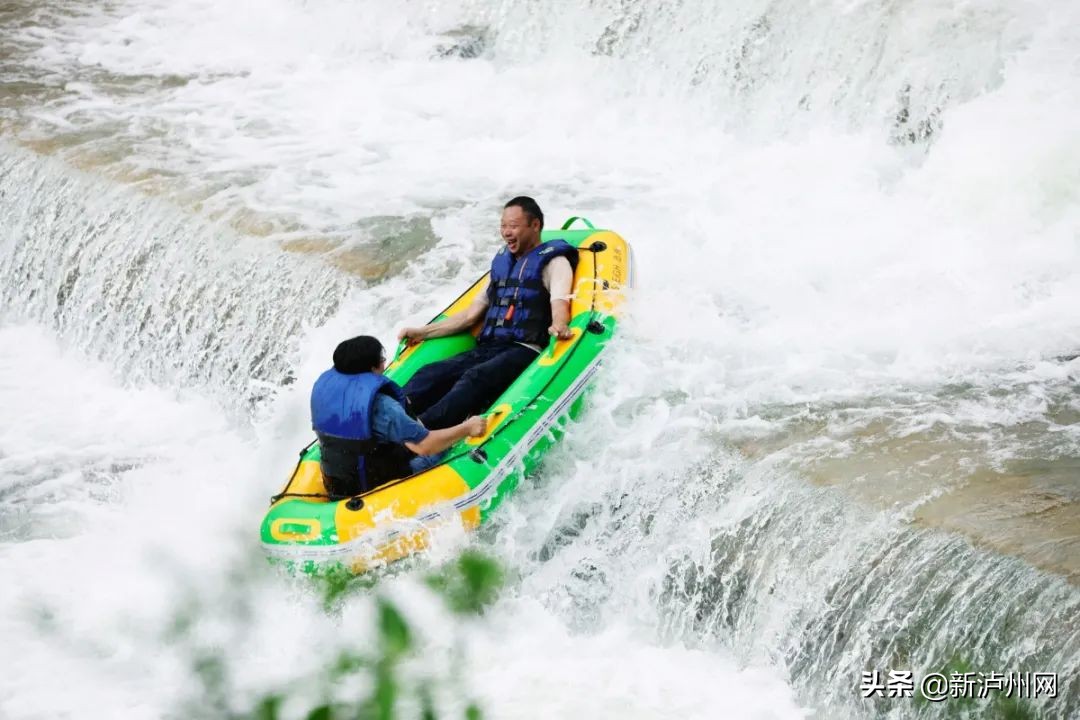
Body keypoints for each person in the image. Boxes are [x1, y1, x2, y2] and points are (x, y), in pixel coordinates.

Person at [398, 196, 578, 429]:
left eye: (513, 226)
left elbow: (560, 303)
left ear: (535, 225)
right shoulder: (502, 264)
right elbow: (470, 316)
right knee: (432, 373)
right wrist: (424, 332)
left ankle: (419, 433)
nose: (506, 232)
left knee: (475, 378)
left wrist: (560, 325)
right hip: (490, 347)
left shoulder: (554, 262)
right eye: (503, 226)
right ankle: (388, 417)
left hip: (525, 349)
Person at [310, 335, 486, 497]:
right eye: (382, 359)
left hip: (340, 484)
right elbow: (425, 446)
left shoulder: (323, 390)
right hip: (379, 487)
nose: (384, 363)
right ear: (372, 368)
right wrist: (467, 427)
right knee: (449, 446)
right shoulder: (383, 406)